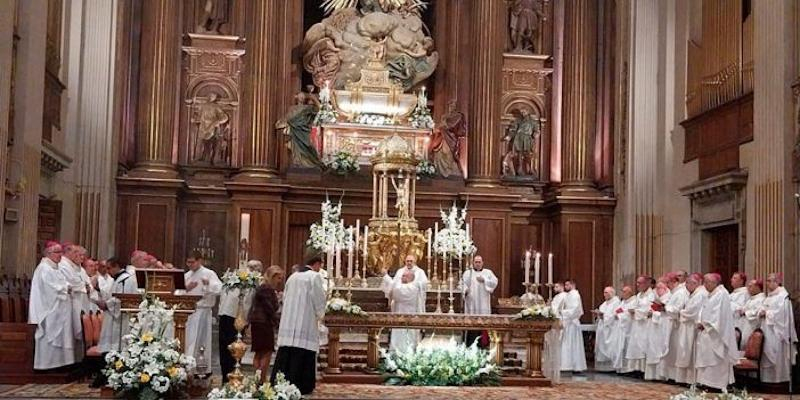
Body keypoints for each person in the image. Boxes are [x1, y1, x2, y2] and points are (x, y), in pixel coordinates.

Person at [272, 255, 326, 395]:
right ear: (317, 264)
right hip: (305, 320)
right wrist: (322, 315)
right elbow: (319, 299)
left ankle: (280, 381)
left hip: (289, 320)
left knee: (287, 351)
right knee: (303, 349)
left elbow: (285, 297)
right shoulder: (314, 277)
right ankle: (302, 385)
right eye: (320, 266)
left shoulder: (293, 276)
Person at [29, 241, 76, 370]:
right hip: (49, 309)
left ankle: (59, 364)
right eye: (57, 252)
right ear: (48, 253)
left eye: (61, 252)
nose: (60, 255)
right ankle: (46, 365)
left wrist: (67, 287)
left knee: (61, 335)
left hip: (60, 309)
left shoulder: (55, 267)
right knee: (49, 336)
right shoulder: (44, 268)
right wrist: (66, 288)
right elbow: (50, 287)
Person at [218, 259, 263, 383]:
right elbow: (250, 301)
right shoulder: (252, 281)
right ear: (257, 269)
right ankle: (233, 375)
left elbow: (222, 294)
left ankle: (226, 376)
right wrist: (248, 321)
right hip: (238, 316)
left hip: (224, 314)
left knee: (225, 347)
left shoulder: (234, 276)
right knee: (235, 348)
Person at [695, 273, 738, 391]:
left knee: (715, 359)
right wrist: (700, 321)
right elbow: (703, 309)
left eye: (707, 282)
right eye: (704, 282)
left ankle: (716, 384)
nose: (704, 285)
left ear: (714, 283)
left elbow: (718, 316)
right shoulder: (710, 294)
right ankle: (705, 382)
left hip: (716, 333)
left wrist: (705, 324)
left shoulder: (721, 294)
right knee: (706, 357)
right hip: (707, 332)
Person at [381, 254, 429, 352]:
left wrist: (386, 276)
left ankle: (405, 351)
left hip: (411, 310)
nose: (409, 263)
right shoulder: (400, 272)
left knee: (408, 333)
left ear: (415, 261)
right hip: (399, 310)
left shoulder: (419, 274)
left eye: (411, 261)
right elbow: (395, 285)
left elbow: (395, 289)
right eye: (407, 261)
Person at [184, 251, 222, 368]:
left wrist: (208, 284)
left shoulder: (209, 274)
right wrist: (187, 289)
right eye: (188, 262)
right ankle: (187, 365)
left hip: (202, 311)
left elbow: (219, 289)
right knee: (188, 340)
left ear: (200, 261)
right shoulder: (187, 275)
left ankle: (200, 368)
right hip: (188, 312)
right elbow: (178, 292)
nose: (190, 265)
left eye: (192, 262)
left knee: (201, 340)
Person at [759, 272, 798, 383]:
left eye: (769, 280)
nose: (767, 283)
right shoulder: (770, 296)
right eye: (767, 280)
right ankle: (767, 380)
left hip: (777, 331)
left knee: (777, 355)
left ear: (777, 282)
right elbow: (763, 307)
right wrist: (760, 312)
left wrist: (766, 313)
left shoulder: (783, 296)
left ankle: (778, 380)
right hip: (766, 329)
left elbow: (782, 313)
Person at [250, 265, 285, 383]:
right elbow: (269, 308)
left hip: (258, 323)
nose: (280, 281)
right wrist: (277, 322)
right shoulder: (266, 288)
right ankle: (262, 379)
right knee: (266, 351)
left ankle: (258, 379)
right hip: (263, 323)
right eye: (279, 278)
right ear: (273, 276)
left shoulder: (263, 287)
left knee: (259, 352)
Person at [97, 257, 138, 353]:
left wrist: (106, 305)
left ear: (116, 267)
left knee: (117, 345)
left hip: (119, 319)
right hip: (112, 316)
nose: (107, 272)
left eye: (109, 268)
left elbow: (121, 299)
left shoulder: (125, 280)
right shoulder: (118, 279)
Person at [59, 243, 92, 361]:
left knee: (81, 331)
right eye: (76, 253)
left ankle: (79, 360)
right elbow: (73, 283)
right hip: (73, 302)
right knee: (73, 332)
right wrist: (84, 286)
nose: (80, 256)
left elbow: (88, 283)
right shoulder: (63, 265)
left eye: (81, 254)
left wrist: (88, 287)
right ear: (67, 252)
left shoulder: (79, 268)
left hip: (81, 302)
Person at [674, 273, 707, 385]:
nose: (686, 285)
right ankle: (686, 379)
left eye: (688, 283)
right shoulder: (693, 294)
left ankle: (692, 380)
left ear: (696, 283)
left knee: (691, 353)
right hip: (687, 326)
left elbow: (692, 311)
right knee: (685, 351)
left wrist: (681, 311)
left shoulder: (700, 294)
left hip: (692, 327)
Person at [462, 255, 498, 347]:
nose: (477, 264)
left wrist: (485, 280)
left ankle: (483, 344)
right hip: (471, 303)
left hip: (483, 303)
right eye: (476, 262)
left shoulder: (488, 273)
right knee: (472, 323)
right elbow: (462, 284)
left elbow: (495, 282)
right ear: (473, 263)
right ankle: (470, 344)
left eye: (479, 262)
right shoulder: (468, 273)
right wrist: (465, 290)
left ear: (482, 263)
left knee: (483, 322)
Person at [661, 272, 690, 382]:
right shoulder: (674, 292)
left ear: (674, 282)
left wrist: (666, 308)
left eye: (668, 282)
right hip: (671, 324)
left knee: (676, 350)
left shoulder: (681, 293)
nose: (667, 285)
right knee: (671, 351)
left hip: (677, 326)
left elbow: (677, 309)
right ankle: (671, 375)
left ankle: (676, 377)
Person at [623, 275, 655, 374]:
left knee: (643, 346)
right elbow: (634, 306)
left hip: (645, 324)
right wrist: (633, 311)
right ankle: (635, 369)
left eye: (639, 283)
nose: (637, 285)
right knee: (635, 346)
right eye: (637, 283)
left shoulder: (652, 295)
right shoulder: (638, 295)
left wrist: (637, 312)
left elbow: (650, 309)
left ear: (646, 283)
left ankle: (643, 370)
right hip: (637, 324)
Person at [644, 281, 673, 381]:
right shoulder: (654, 297)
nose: (658, 290)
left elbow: (669, 312)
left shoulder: (669, 297)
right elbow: (650, 309)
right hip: (654, 327)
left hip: (663, 325)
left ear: (665, 288)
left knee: (661, 348)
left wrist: (658, 311)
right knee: (652, 348)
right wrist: (651, 312)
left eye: (660, 288)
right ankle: (652, 375)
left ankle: (661, 375)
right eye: (657, 288)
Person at [560, 279, 586, 372]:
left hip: (572, 323)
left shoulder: (575, 295)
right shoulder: (569, 295)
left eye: (567, 285)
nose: (566, 287)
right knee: (567, 344)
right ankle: (567, 365)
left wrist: (563, 312)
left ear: (572, 285)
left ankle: (574, 365)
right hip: (568, 322)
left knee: (572, 345)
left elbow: (575, 309)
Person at [592, 286, 620, 372]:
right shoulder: (604, 304)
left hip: (611, 329)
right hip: (602, 328)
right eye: (604, 292)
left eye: (606, 292)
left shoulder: (616, 302)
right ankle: (602, 368)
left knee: (611, 347)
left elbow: (616, 315)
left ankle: (611, 368)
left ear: (612, 293)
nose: (604, 295)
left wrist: (603, 315)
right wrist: (598, 314)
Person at [612, 286, 637, 372]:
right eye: (622, 291)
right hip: (621, 329)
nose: (622, 293)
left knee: (627, 347)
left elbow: (628, 314)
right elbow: (618, 310)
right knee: (620, 347)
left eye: (624, 292)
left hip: (629, 328)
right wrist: (618, 313)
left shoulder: (634, 301)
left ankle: (629, 369)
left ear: (629, 293)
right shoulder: (623, 302)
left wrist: (620, 314)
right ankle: (621, 368)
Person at [737, 279, 765, 348]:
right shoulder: (751, 299)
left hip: (752, 327)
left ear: (757, 287)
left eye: (750, 286)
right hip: (744, 326)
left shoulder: (762, 299)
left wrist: (746, 313)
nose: (748, 289)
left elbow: (758, 312)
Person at [728, 272, 749, 349]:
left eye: (734, 278)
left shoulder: (745, 293)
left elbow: (741, 308)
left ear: (741, 281)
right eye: (732, 278)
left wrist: (729, 304)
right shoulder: (732, 294)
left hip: (739, 323)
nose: (731, 280)